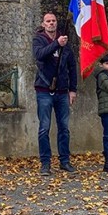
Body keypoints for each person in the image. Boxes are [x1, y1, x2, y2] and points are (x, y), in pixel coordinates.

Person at [32, 12, 78, 176]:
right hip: (44, 90)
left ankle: (64, 161)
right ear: (43, 24)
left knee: (64, 128)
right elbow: (40, 55)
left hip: (62, 92)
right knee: (44, 128)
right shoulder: (39, 39)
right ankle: (45, 163)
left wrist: (72, 89)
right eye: (48, 21)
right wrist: (57, 44)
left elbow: (72, 67)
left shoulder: (65, 41)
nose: (51, 23)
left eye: (53, 21)